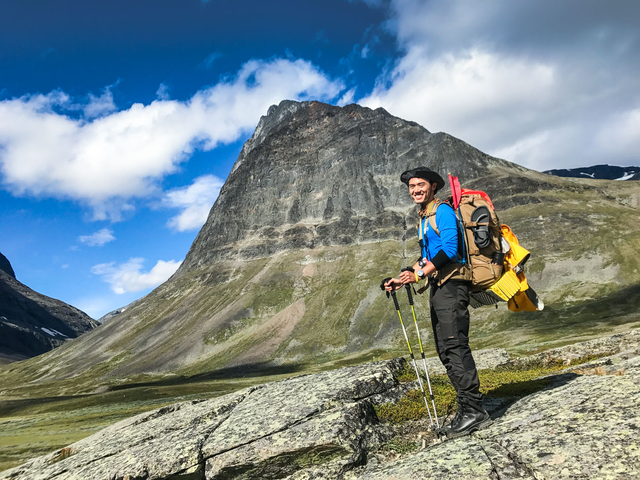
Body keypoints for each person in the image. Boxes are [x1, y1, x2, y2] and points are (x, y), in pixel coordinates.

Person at [384, 166, 490, 438]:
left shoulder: (441, 210)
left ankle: (474, 410)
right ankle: (467, 407)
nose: (415, 190)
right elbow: (428, 256)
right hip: (439, 286)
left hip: (453, 285)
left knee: (455, 346)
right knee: (445, 348)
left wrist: (419, 273)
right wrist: (404, 277)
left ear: (433, 186)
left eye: (420, 185)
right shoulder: (425, 215)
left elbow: (450, 250)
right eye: (411, 186)